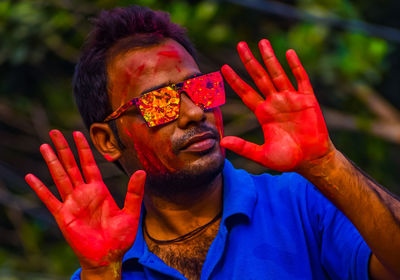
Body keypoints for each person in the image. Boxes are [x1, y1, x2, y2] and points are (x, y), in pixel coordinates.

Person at [24, 5, 400, 280]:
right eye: (160, 101)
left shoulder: (301, 203)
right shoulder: (106, 263)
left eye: (200, 88)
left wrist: (326, 163)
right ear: (108, 140)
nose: (193, 112)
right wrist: (103, 271)